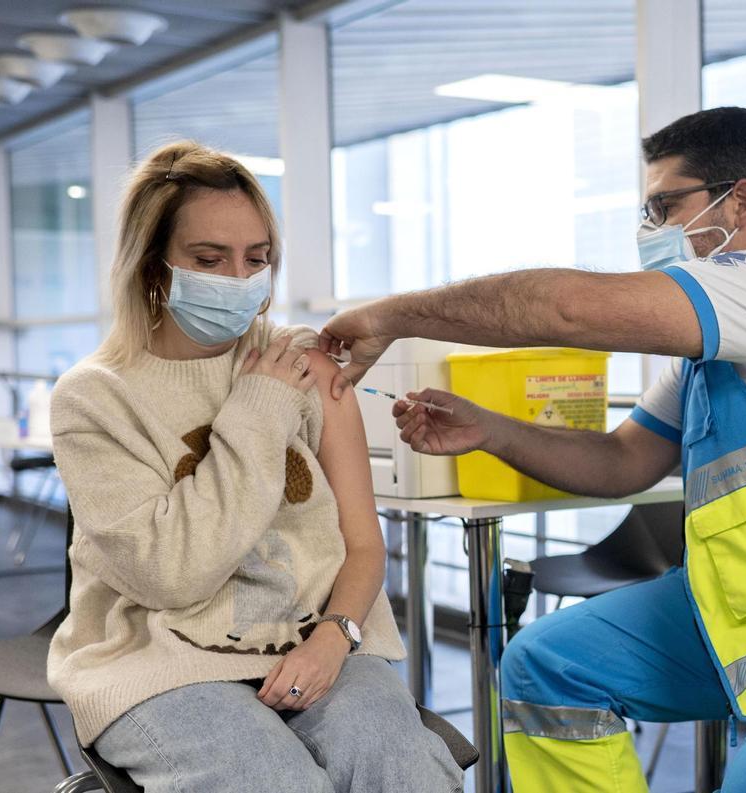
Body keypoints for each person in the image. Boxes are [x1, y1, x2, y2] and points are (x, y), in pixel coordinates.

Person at [319, 107, 746, 793]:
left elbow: (569, 309)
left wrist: (393, 316)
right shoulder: (712, 352)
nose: (651, 232)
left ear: (741, 200)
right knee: (548, 666)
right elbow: (622, 462)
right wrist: (490, 430)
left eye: (665, 206)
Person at [46, 141, 463, 793]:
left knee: (404, 767)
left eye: (257, 258)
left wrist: (335, 635)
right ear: (153, 266)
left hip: (317, 637)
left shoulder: (307, 362)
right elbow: (172, 573)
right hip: (156, 655)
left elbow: (361, 543)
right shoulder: (94, 396)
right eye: (209, 259)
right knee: (273, 782)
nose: (239, 279)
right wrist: (259, 408)